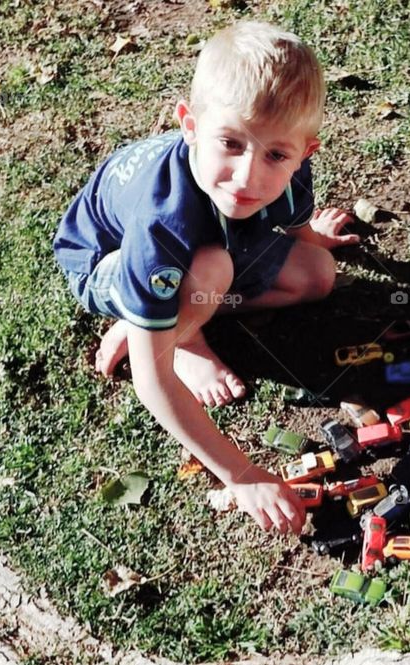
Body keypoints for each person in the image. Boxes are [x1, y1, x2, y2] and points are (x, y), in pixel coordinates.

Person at [52, 21, 357, 535]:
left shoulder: (283, 162)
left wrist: (314, 238)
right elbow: (152, 382)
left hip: (206, 248)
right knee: (211, 269)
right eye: (231, 144)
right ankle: (177, 331)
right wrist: (241, 476)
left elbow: (297, 219)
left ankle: (161, 308)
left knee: (317, 276)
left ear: (305, 152)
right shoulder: (162, 224)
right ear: (189, 127)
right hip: (107, 256)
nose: (247, 177)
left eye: (276, 156)